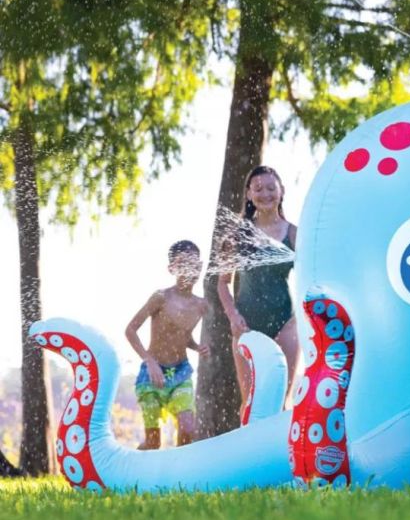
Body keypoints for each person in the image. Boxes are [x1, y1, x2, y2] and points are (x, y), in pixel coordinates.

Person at [217, 166, 298, 414]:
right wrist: (232, 316)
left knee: (282, 403)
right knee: (250, 404)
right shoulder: (238, 235)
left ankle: (281, 453)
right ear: (249, 195)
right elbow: (222, 282)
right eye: (258, 189)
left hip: (286, 323)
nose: (266, 194)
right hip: (246, 324)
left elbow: (310, 276)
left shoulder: (294, 234)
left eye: (271, 188)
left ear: (281, 191)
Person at [125, 240, 209, 449]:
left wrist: (197, 346)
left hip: (180, 373)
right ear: (171, 268)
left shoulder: (201, 305)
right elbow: (130, 330)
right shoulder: (161, 297)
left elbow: (182, 335)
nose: (189, 268)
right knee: (153, 442)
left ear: (200, 267)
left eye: (193, 264)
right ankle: (134, 468)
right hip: (152, 374)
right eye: (182, 263)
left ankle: (180, 475)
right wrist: (149, 361)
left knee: (188, 429)